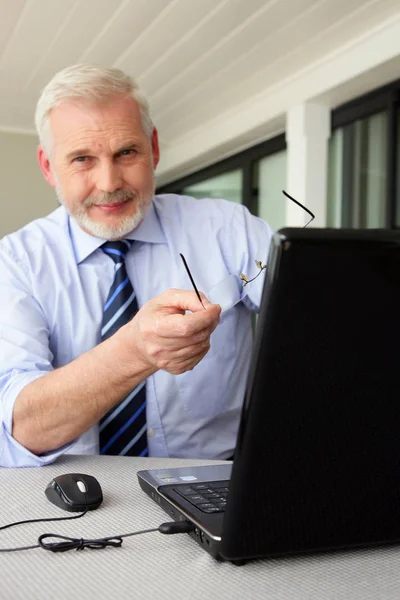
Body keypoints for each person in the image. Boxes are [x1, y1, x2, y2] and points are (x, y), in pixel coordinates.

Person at [0, 64, 273, 468]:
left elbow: (317, 325)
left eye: (126, 152)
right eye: (82, 159)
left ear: (154, 148)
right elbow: (23, 427)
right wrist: (134, 352)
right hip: (70, 492)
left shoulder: (229, 229)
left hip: (217, 482)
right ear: (47, 167)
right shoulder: (15, 263)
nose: (109, 183)